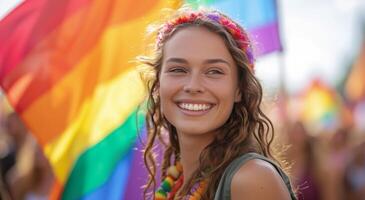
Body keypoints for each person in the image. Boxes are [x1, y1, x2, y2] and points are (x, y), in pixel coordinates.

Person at [139, 8, 297, 200]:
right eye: (178, 69)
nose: (193, 86)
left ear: (239, 89)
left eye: (214, 71)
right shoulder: (178, 180)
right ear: (158, 84)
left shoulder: (251, 180)